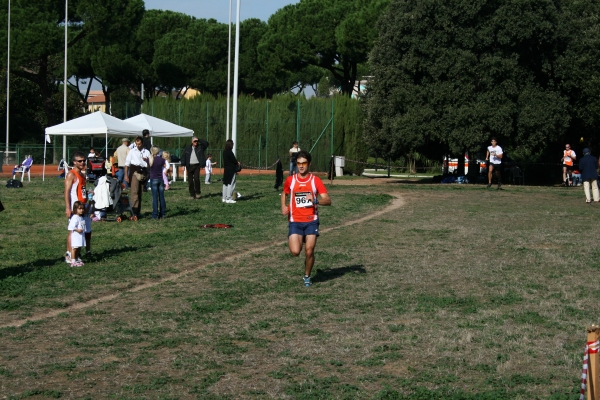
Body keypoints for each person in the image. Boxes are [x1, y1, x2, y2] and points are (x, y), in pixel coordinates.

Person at [280, 150, 331, 287]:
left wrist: (316, 201)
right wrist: (283, 206)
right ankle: (300, 237)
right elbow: (284, 193)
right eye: (298, 163)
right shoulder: (291, 180)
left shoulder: (315, 181)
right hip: (295, 221)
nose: (301, 166)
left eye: (304, 163)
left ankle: (307, 276)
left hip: (311, 220)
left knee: (309, 250)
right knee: (296, 252)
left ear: (309, 164)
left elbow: (328, 200)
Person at [64, 152, 92, 264]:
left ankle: (77, 253)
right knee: (73, 230)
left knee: (82, 229)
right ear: (74, 162)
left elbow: (81, 189)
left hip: (83, 205)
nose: (82, 162)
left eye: (83, 160)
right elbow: (66, 191)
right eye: (79, 161)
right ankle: (69, 253)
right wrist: (68, 207)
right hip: (74, 207)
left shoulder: (82, 174)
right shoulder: (71, 174)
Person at [124, 136, 151, 217]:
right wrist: (126, 175)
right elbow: (127, 164)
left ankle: (138, 212)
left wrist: (146, 161)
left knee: (140, 192)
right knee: (134, 192)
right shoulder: (132, 152)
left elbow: (150, 163)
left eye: (139, 144)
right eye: (136, 144)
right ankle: (134, 211)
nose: (138, 145)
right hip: (134, 172)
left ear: (142, 143)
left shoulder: (146, 152)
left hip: (143, 172)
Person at [149, 146, 167, 219]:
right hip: (160, 178)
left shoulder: (150, 160)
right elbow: (166, 166)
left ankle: (155, 214)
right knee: (161, 197)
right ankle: (162, 213)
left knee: (155, 197)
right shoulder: (161, 160)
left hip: (153, 179)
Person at [68, 201, 86, 267]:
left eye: (82, 209)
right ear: (76, 209)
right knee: (74, 248)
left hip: (81, 235)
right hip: (76, 235)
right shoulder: (75, 217)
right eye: (79, 209)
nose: (81, 210)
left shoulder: (81, 217)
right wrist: (77, 230)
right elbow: (71, 226)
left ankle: (76, 259)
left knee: (79, 248)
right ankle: (73, 261)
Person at [222, 139, 240, 204]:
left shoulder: (224, 152)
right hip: (231, 170)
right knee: (231, 184)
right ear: (230, 145)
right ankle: (228, 198)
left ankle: (224, 198)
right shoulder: (230, 152)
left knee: (225, 184)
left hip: (226, 169)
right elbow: (234, 161)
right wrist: (237, 163)